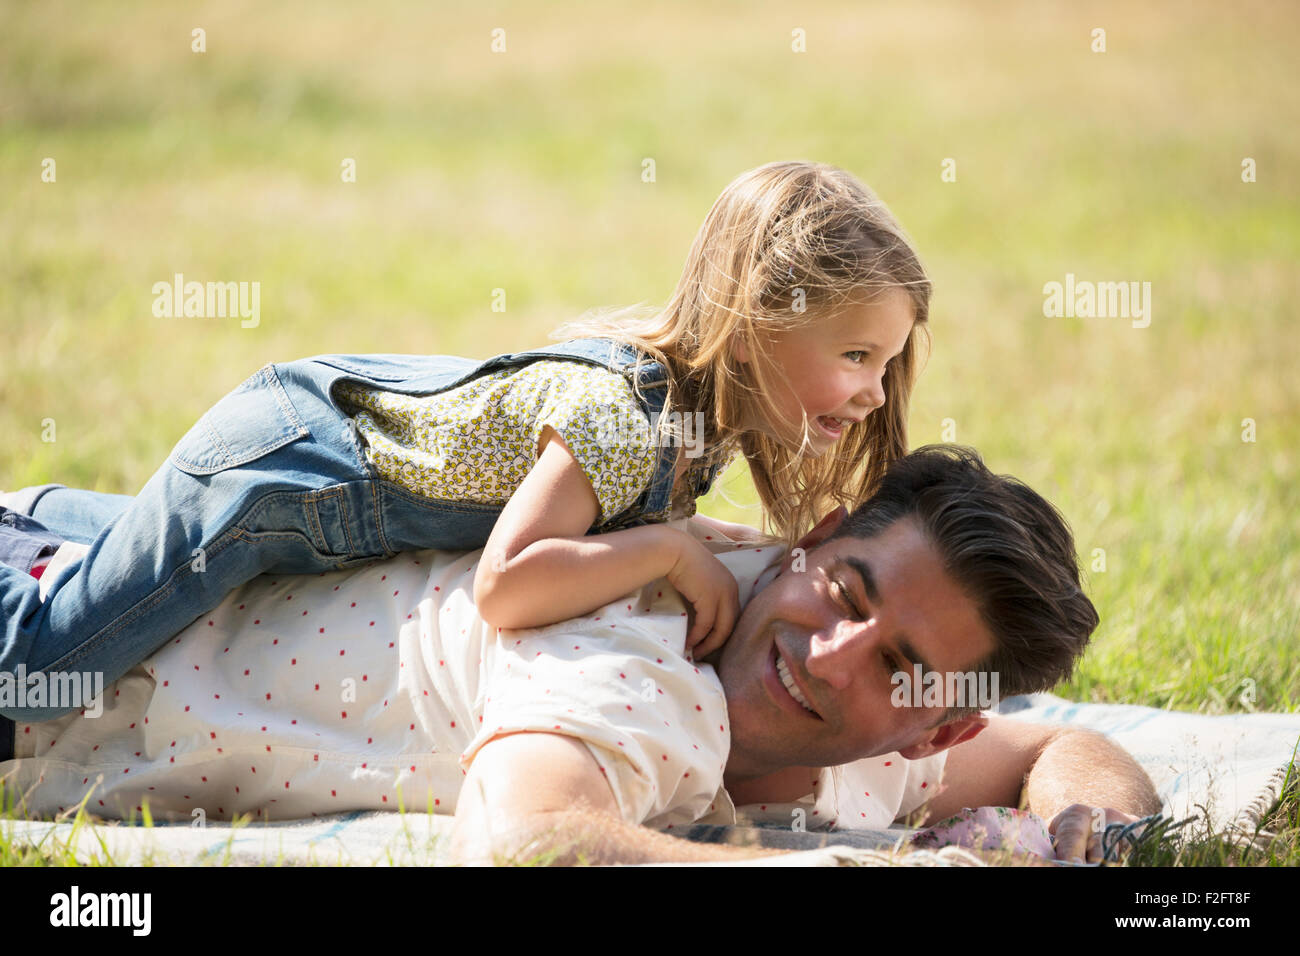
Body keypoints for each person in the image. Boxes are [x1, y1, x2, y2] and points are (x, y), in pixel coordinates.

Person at [0, 160, 932, 721]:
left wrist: (716, 549)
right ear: (766, 318)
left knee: (127, 566)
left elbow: (636, 534)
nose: (871, 391)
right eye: (856, 355)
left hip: (314, 481)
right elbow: (507, 586)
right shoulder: (620, 419)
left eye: (886, 365)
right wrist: (666, 552)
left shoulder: (699, 426)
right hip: (273, 483)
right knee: (39, 676)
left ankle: (29, 521)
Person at [0, 447, 1160, 864]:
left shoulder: (867, 744)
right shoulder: (644, 652)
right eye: (843, 589)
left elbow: (1062, 742)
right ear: (811, 540)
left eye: (903, 669)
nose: (830, 651)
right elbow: (528, 842)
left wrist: (1080, 842)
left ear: (941, 723)